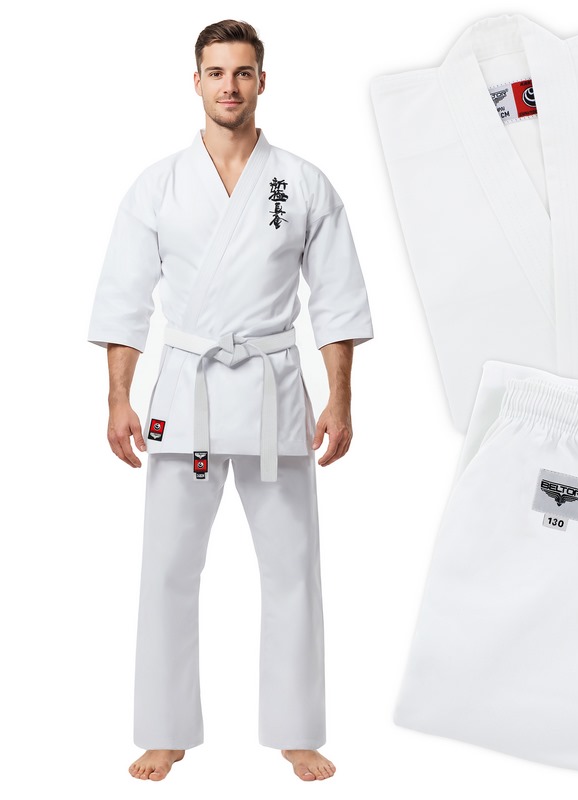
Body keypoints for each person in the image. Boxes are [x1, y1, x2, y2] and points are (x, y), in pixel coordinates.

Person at [87, 19, 373, 783]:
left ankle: (296, 732)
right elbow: (123, 300)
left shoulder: (302, 184)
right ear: (196, 82)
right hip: (188, 392)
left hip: (276, 393)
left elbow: (337, 302)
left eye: (242, 72)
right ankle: (165, 732)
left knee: (293, 567)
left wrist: (339, 400)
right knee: (168, 568)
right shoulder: (157, 186)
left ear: (262, 82)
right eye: (216, 73)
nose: (229, 86)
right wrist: (119, 398)